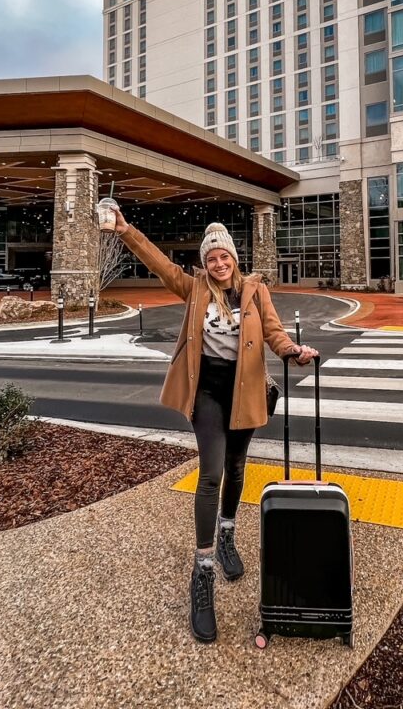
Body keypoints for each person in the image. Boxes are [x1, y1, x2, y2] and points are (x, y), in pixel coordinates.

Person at [113, 211, 318, 643]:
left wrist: (293, 350)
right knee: (211, 473)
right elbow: (158, 262)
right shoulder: (194, 289)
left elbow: (275, 334)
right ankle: (203, 569)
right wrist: (126, 230)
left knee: (238, 468)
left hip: (245, 392)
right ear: (205, 263)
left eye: (224, 256)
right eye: (212, 258)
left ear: (233, 258)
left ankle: (227, 533)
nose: (218, 264)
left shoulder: (255, 291)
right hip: (206, 390)